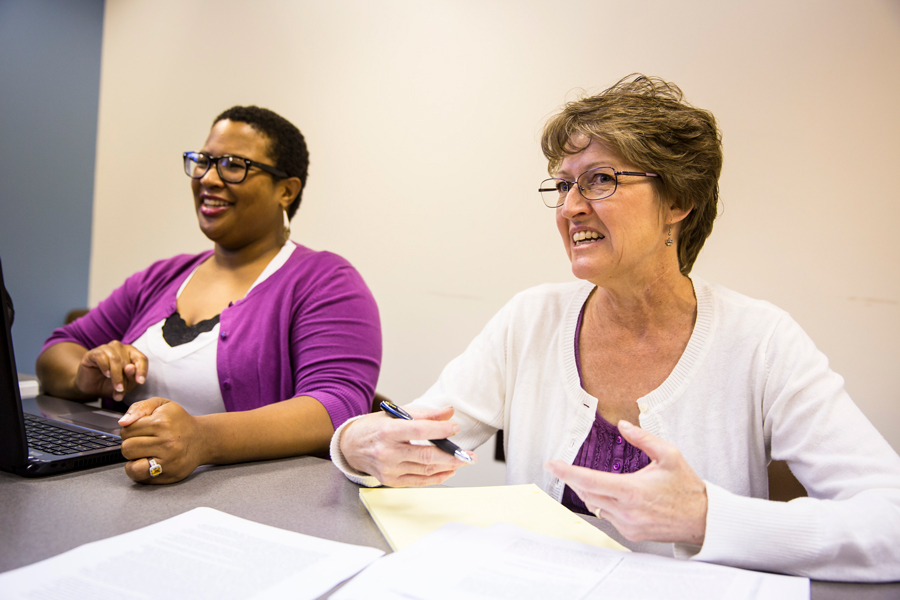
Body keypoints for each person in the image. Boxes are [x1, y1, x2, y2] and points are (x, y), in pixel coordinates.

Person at [331, 75, 900, 581]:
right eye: (563, 185)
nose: (570, 207)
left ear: (679, 199)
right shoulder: (532, 319)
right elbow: (412, 433)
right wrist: (357, 445)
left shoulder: (762, 341)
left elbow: (891, 521)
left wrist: (706, 517)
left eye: (600, 180)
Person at [37, 106, 381, 485]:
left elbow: (336, 407)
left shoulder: (326, 281)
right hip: (123, 488)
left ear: (286, 190)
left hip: (250, 506)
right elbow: (59, 349)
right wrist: (84, 375)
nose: (209, 178)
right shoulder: (164, 276)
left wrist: (203, 440)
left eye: (234, 165)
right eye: (203, 161)